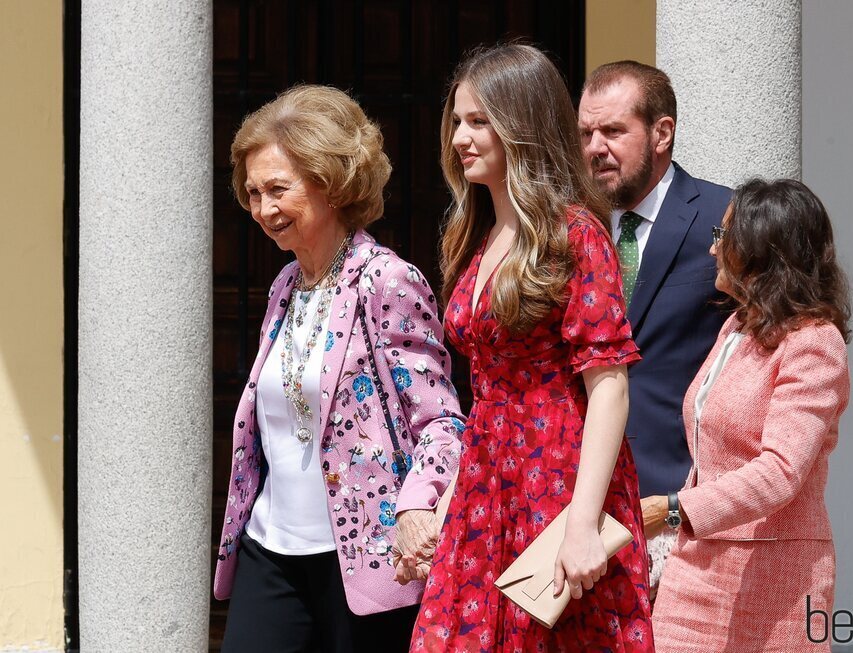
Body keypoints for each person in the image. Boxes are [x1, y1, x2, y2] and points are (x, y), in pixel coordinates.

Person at [410, 44, 654, 652]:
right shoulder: (478, 234)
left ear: (522, 126)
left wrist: (582, 523)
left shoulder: (577, 235)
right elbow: (487, 394)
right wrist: (450, 503)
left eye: (479, 121)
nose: (461, 137)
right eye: (458, 121)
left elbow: (610, 388)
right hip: (488, 480)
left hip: (557, 479)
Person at [213, 85, 464, 652]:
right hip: (270, 549)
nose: (262, 209)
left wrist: (417, 508)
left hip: (362, 561)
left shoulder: (385, 281)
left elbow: (442, 422)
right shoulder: (284, 287)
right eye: (252, 193)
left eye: (278, 189)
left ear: (330, 182)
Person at [648, 178, 852, 651]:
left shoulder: (814, 343)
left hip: (770, 582)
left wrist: (674, 511)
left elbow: (781, 471)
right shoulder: (735, 325)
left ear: (763, 251)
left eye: (725, 237)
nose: (714, 249)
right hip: (693, 572)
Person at [577, 61, 732, 592]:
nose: (596, 146)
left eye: (613, 131)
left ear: (662, 132)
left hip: (681, 509)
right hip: (578, 509)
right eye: (586, 133)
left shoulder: (725, 218)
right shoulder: (569, 229)